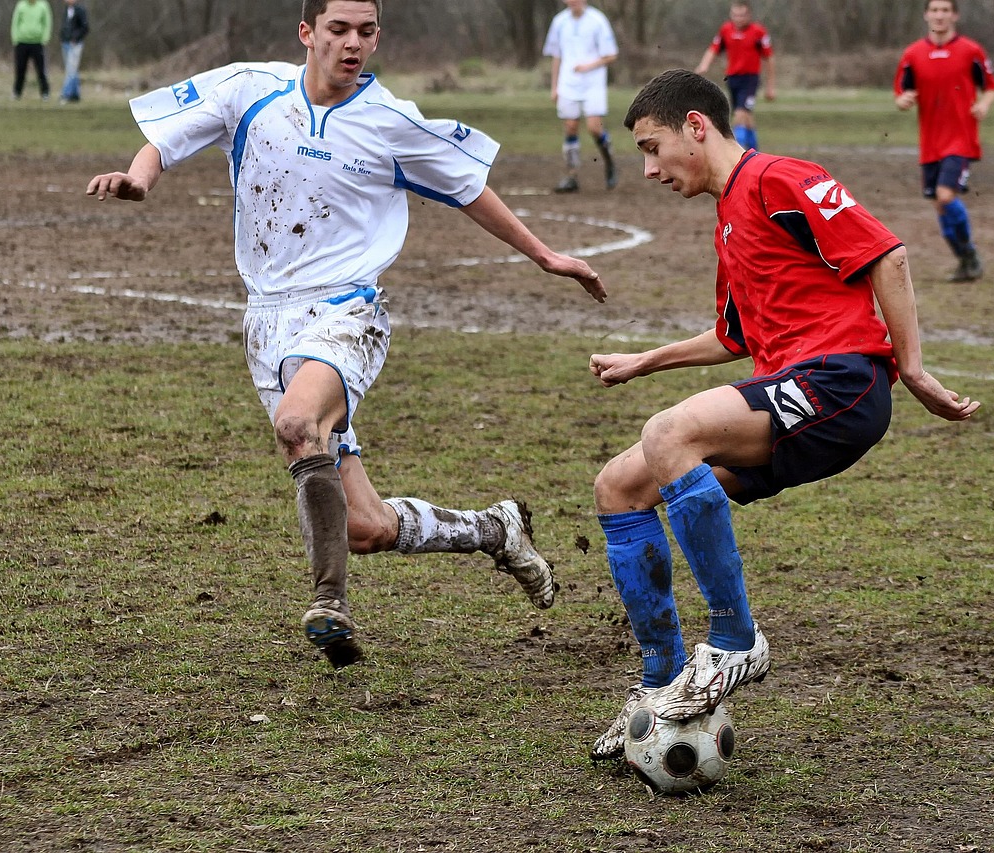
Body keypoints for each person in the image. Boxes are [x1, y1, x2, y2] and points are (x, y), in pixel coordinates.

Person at [86, 0, 608, 671]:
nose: (352, 43)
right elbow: (170, 136)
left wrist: (546, 256)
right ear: (307, 32)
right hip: (268, 321)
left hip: (347, 313)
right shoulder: (251, 90)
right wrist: (140, 177)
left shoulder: (389, 122)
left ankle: (329, 602)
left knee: (298, 423)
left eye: (365, 31)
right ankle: (494, 528)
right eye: (338, 29)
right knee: (363, 526)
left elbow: (469, 188)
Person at [586, 69, 979, 761]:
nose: (649, 169)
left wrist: (910, 365)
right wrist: (646, 360)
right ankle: (660, 682)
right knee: (620, 483)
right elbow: (734, 337)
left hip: (841, 381)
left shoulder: (779, 178)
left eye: (653, 147)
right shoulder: (729, 217)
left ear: (696, 128)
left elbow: (885, 251)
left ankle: (736, 639)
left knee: (668, 432)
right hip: (799, 392)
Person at [894, 0, 994, 283]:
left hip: (961, 138)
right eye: (935, 10)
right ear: (927, 15)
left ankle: (970, 254)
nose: (939, 15)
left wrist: (985, 105)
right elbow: (901, 91)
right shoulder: (913, 54)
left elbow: (990, 86)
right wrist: (903, 100)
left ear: (955, 16)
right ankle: (965, 259)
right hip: (930, 142)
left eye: (945, 10)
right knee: (940, 206)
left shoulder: (971, 51)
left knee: (945, 195)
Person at [543, 0, 619, 193]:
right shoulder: (559, 21)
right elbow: (556, 56)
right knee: (570, 127)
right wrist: (555, 86)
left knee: (594, 127)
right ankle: (571, 175)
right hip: (568, 83)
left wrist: (588, 66)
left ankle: (609, 161)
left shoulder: (597, 20)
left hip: (592, 84)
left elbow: (611, 55)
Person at [694, 1, 776, 152]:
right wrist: (704, 65)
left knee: (740, 113)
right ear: (731, 15)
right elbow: (713, 49)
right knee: (746, 117)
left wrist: (771, 86)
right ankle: (755, 152)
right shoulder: (726, 30)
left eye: (742, 15)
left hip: (750, 79)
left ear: (749, 15)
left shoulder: (758, 32)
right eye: (735, 15)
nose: (738, 18)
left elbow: (769, 58)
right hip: (732, 78)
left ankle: (737, 152)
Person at [11, 0, 52, 101]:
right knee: (20, 69)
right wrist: (15, 38)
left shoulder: (43, 5)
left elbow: (47, 22)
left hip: (37, 42)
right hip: (22, 42)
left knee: (41, 69)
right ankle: (17, 92)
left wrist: (45, 38)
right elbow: (15, 22)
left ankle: (45, 93)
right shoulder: (21, 5)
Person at [58, 0, 90, 104]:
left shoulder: (80, 10)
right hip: (65, 42)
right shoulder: (66, 10)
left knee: (70, 70)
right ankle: (75, 95)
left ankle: (65, 94)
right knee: (72, 69)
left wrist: (75, 38)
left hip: (75, 44)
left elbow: (85, 27)